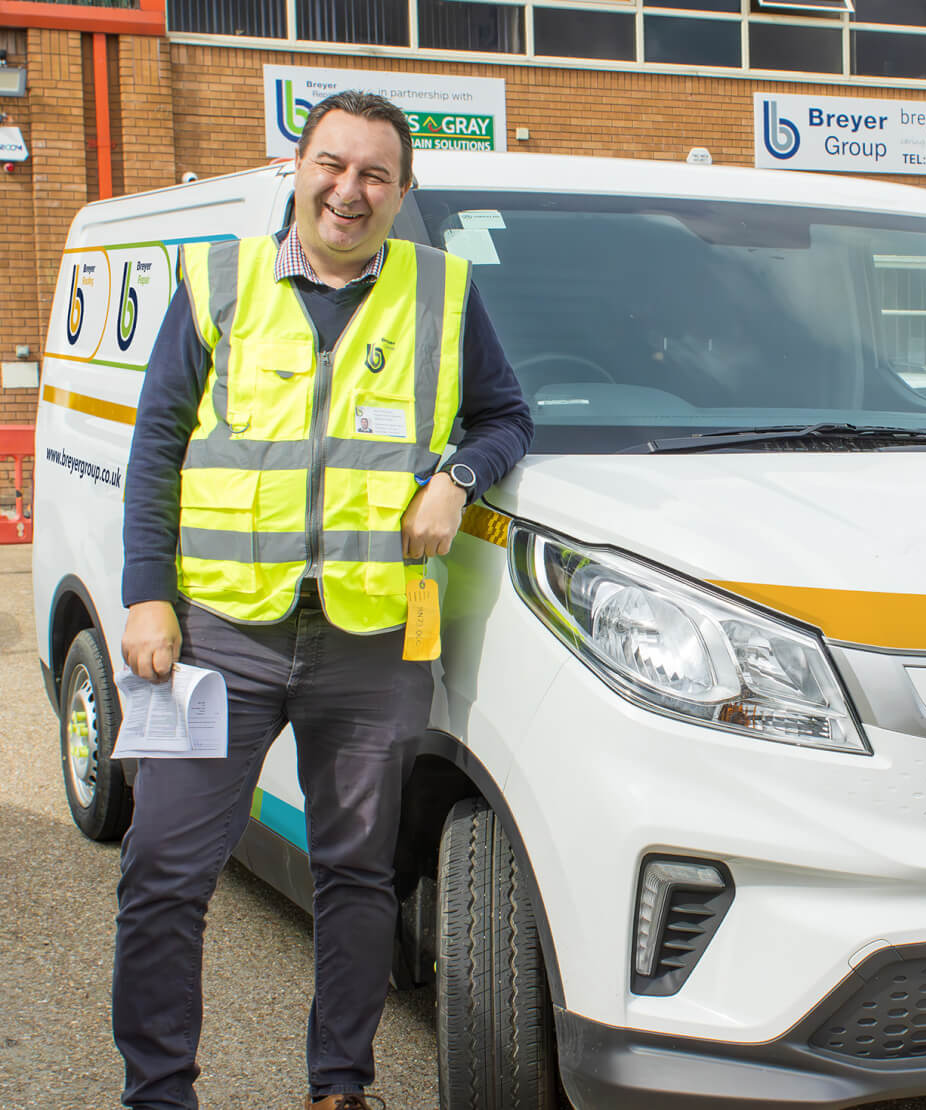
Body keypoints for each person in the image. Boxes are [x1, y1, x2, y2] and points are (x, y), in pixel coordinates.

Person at [115, 91, 533, 1110]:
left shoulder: (442, 294)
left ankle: (338, 1088)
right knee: (162, 870)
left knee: (355, 876)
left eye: (376, 174)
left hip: (371, 643)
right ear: (299, 168)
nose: (350, 190)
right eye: (333, 165)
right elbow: (157, 446)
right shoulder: (221, 281)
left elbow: (505, 415)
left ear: (401, 191)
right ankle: (158, 1092)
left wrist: (459, 476)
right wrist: (145, 598)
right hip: (218, 634)